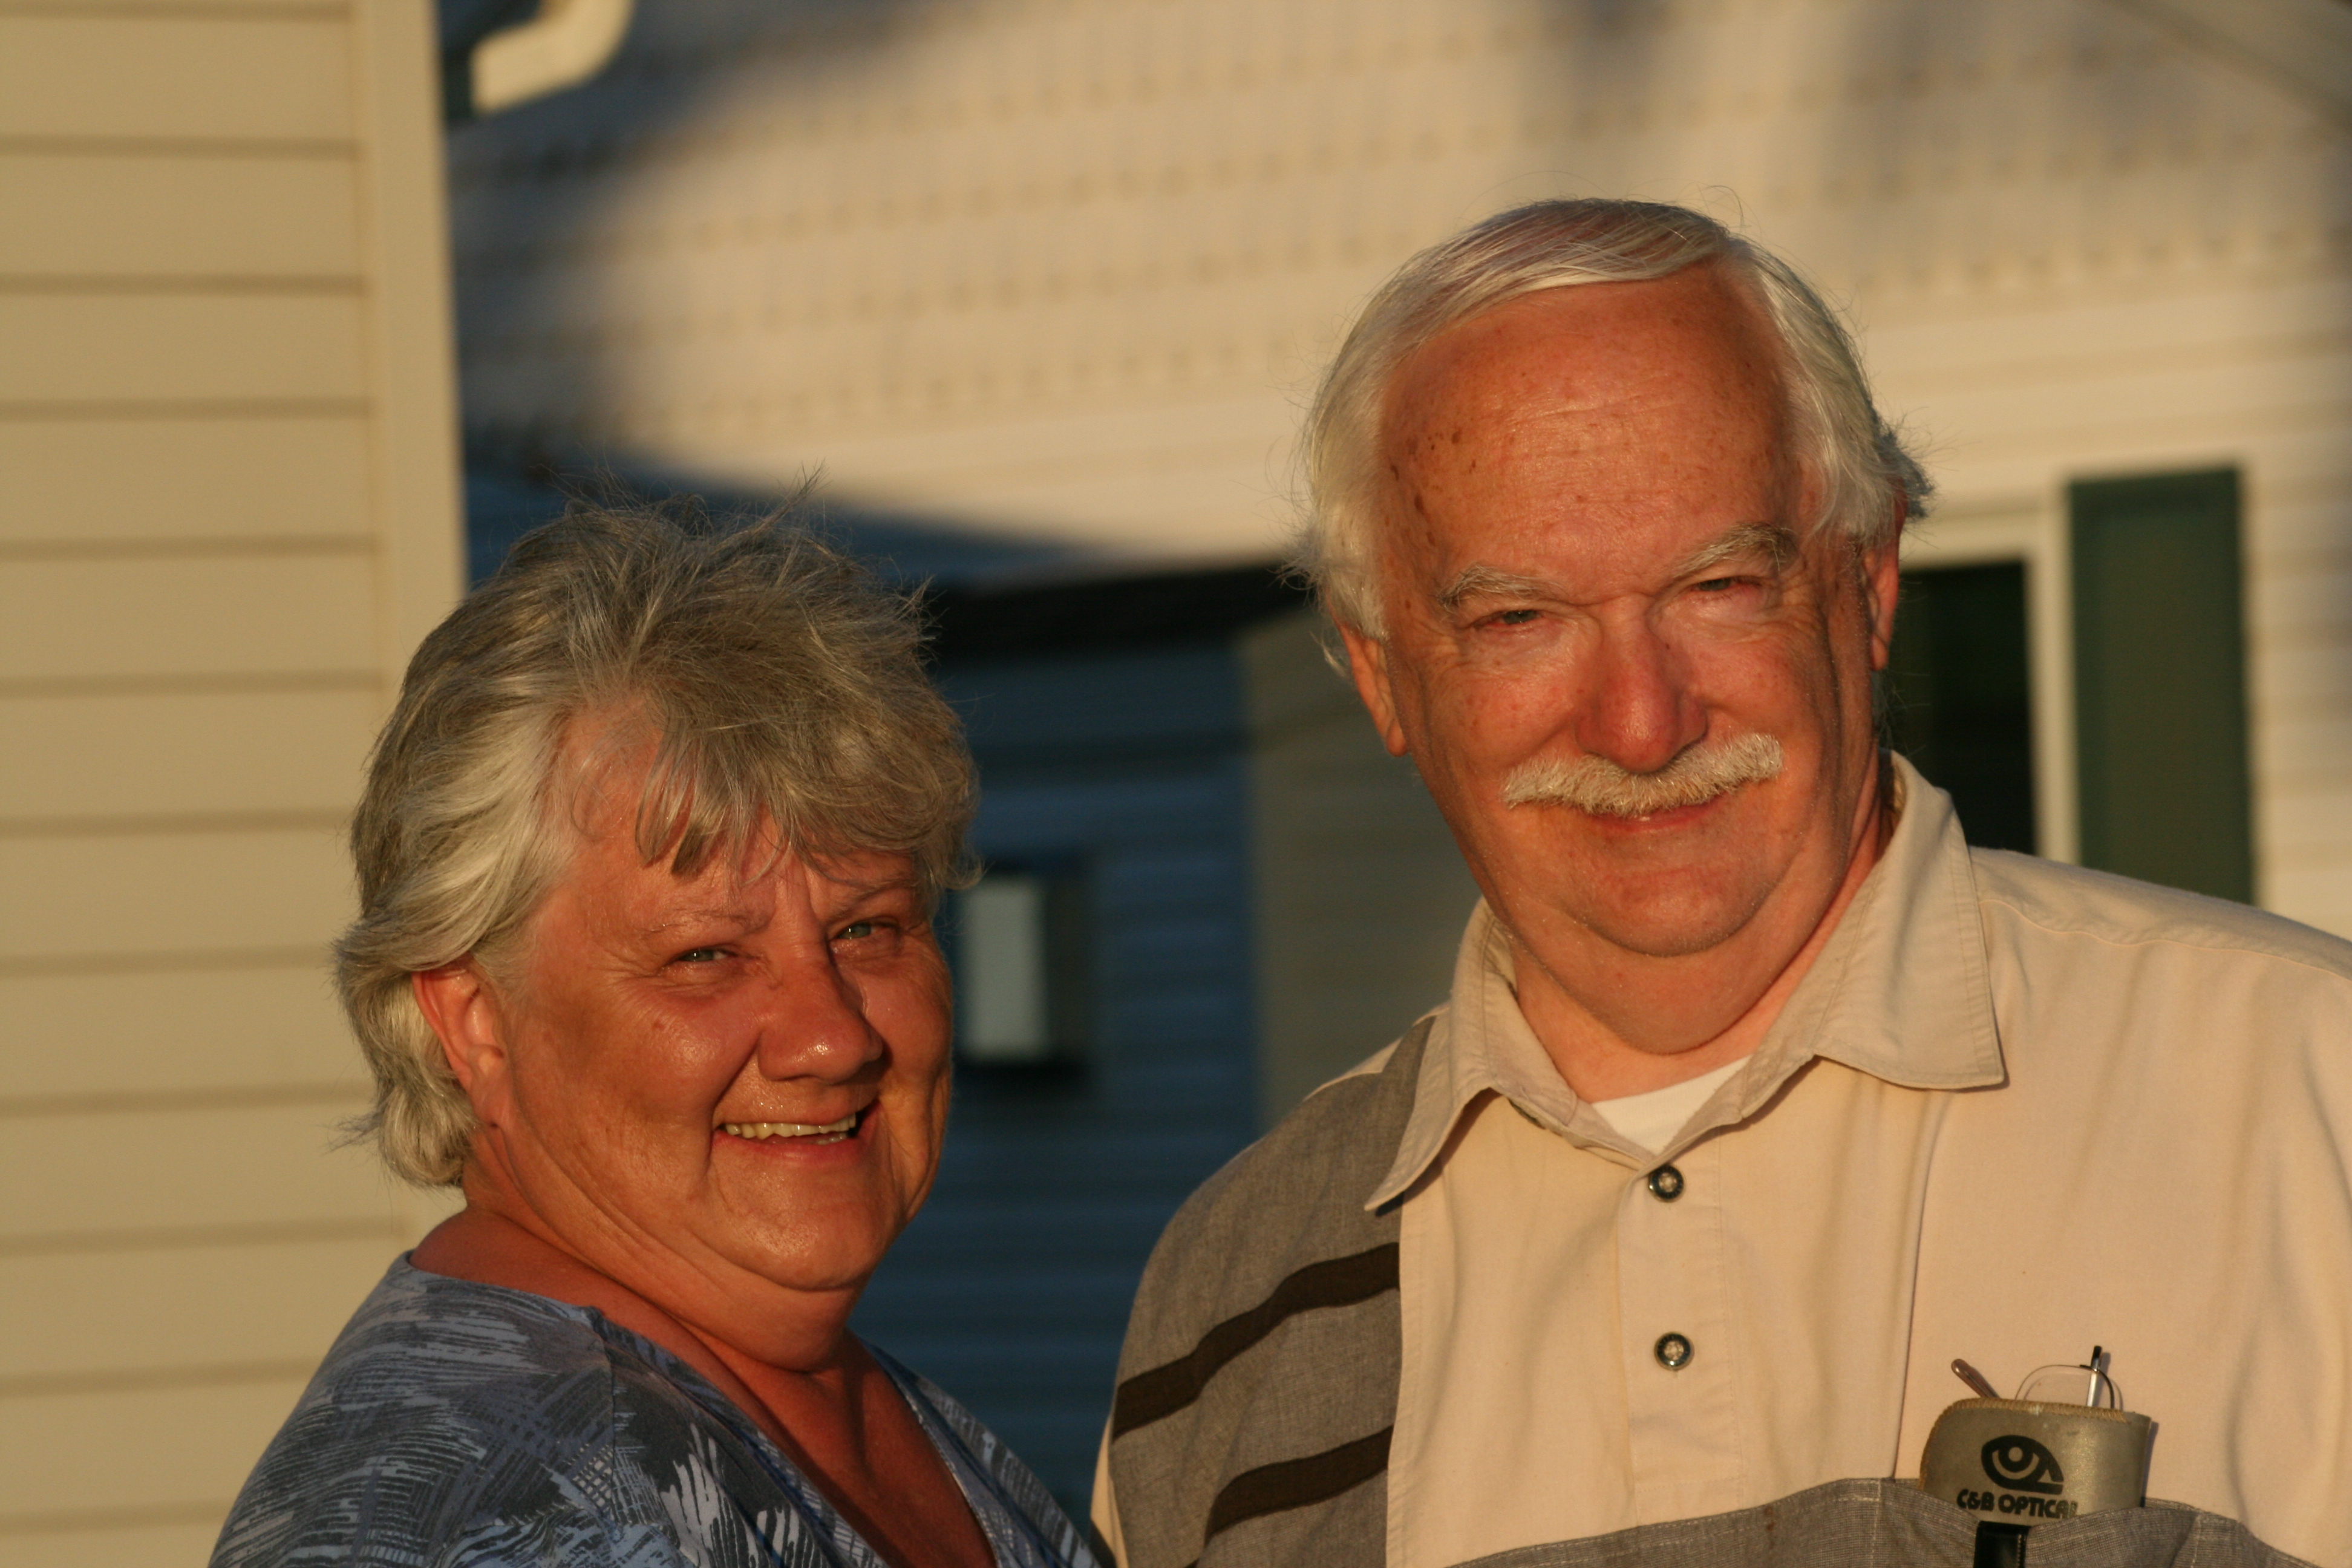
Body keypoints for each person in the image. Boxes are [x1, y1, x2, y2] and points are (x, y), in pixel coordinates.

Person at [1094, 199, 2352, 1567]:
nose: (1641, 725)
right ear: (1383, 675)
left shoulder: (2304, 1102)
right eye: (1519, 620)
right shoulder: (1239, 1300)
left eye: (1719, 586)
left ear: (1870, 581)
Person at [214, 504, 1096, 1568]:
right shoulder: (521, 1518)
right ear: (474, 1024)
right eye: (705, 955)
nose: (831, 1040)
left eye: (866, 930)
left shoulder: (837, 1404)